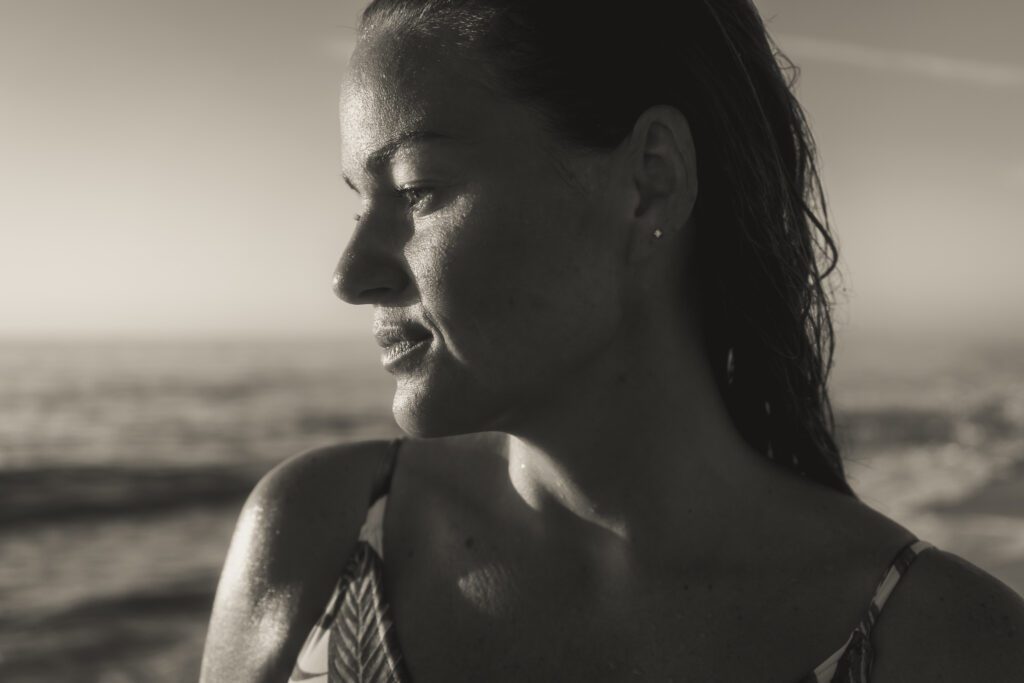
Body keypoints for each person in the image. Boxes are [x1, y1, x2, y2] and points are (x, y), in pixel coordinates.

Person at [200, 1, 1024, 681]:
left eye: (417, 189)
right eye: (360, 200)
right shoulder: (318, 540)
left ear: (648, 181)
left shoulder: (950, 646)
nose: (351, 275)